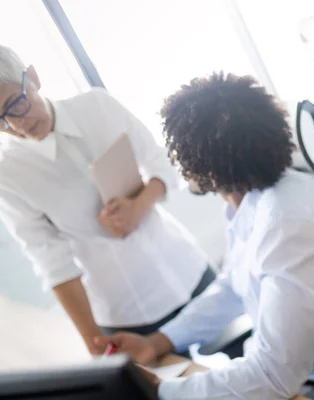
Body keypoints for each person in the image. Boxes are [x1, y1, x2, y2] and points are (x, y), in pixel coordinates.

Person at [95, 72, 314, 400]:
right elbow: (233, 284)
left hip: (311, 383)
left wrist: (162, 391)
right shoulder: (252, 200)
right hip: (277, 372)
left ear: (207, 169)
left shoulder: (286, 227)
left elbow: (276, 377)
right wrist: (157, 342)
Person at [0, 45, 215, 355]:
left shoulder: (96, 107)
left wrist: (139, 206)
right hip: (129, 316)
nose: (15, 126)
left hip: (190, 271)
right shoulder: (10, 175)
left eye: (15, 104)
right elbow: (52, 262)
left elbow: (162, 162)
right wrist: (94, 345)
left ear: (32, 77)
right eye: (0, 121)